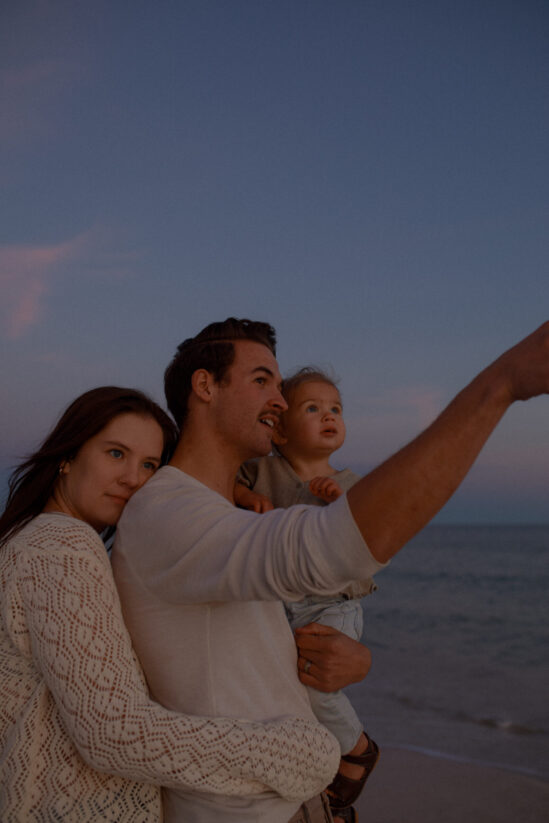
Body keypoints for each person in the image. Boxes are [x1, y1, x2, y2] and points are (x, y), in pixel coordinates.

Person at [112, 317, 549, 823]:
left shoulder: (228, 513)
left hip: (297, 795)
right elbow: (326, 547)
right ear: (205, 386)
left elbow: (267, 626)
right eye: (261, 381)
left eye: (279, 385)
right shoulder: (167, 512)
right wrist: (501, 385)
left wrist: (353, 660)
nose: (279, 400)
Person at [0, 386, 342, 822]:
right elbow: (113, 732)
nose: (133, 479)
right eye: (115, 454)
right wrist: (294, 752)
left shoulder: (35, 543)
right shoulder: (61, 546)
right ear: (68, 456)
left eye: (148, 465)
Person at [236, 367, 379, 821]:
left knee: (316, 683)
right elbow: (221, 482)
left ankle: (356, 748)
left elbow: (372, 540)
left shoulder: (352, 483)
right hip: (279, 604)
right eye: (313, 408)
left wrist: (341, 504)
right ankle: (313, 779)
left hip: (333, 604)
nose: (328, 416)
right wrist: (243, 497)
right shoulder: (261, 470)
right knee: (285, 692)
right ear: (278, 428)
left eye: (335, 408)